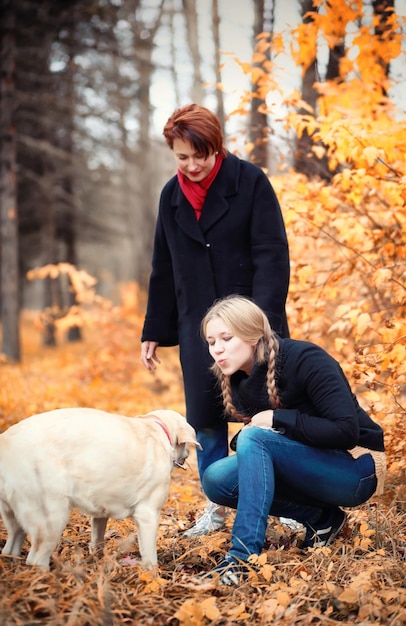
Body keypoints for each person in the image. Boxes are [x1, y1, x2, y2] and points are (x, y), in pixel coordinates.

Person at [140, 103, 291, 537]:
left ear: (216, 147)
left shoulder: (250, 183)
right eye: (181, 157)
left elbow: (272, 255)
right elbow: (162, 267)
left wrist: (263, 324)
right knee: (205, 417)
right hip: (196, 329)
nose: (191, 166)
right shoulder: (171, 196)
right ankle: (216, 506)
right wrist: (155, 329)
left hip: (250, 325)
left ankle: (284, 504)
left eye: (199, 156)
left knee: (265, 412)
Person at [200, 295, 386, 585]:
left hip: (357, 468)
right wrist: (258, 432)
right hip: (311, 467)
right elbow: (271, 440)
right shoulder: (240, 380)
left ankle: (241, 558)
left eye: (226, 337)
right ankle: (322, 518)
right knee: (216, 479)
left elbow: (345, 431)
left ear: (253, 335)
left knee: (255, 439)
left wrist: (276, 420)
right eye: (212, 342)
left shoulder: (305, 359)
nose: (218, 349)